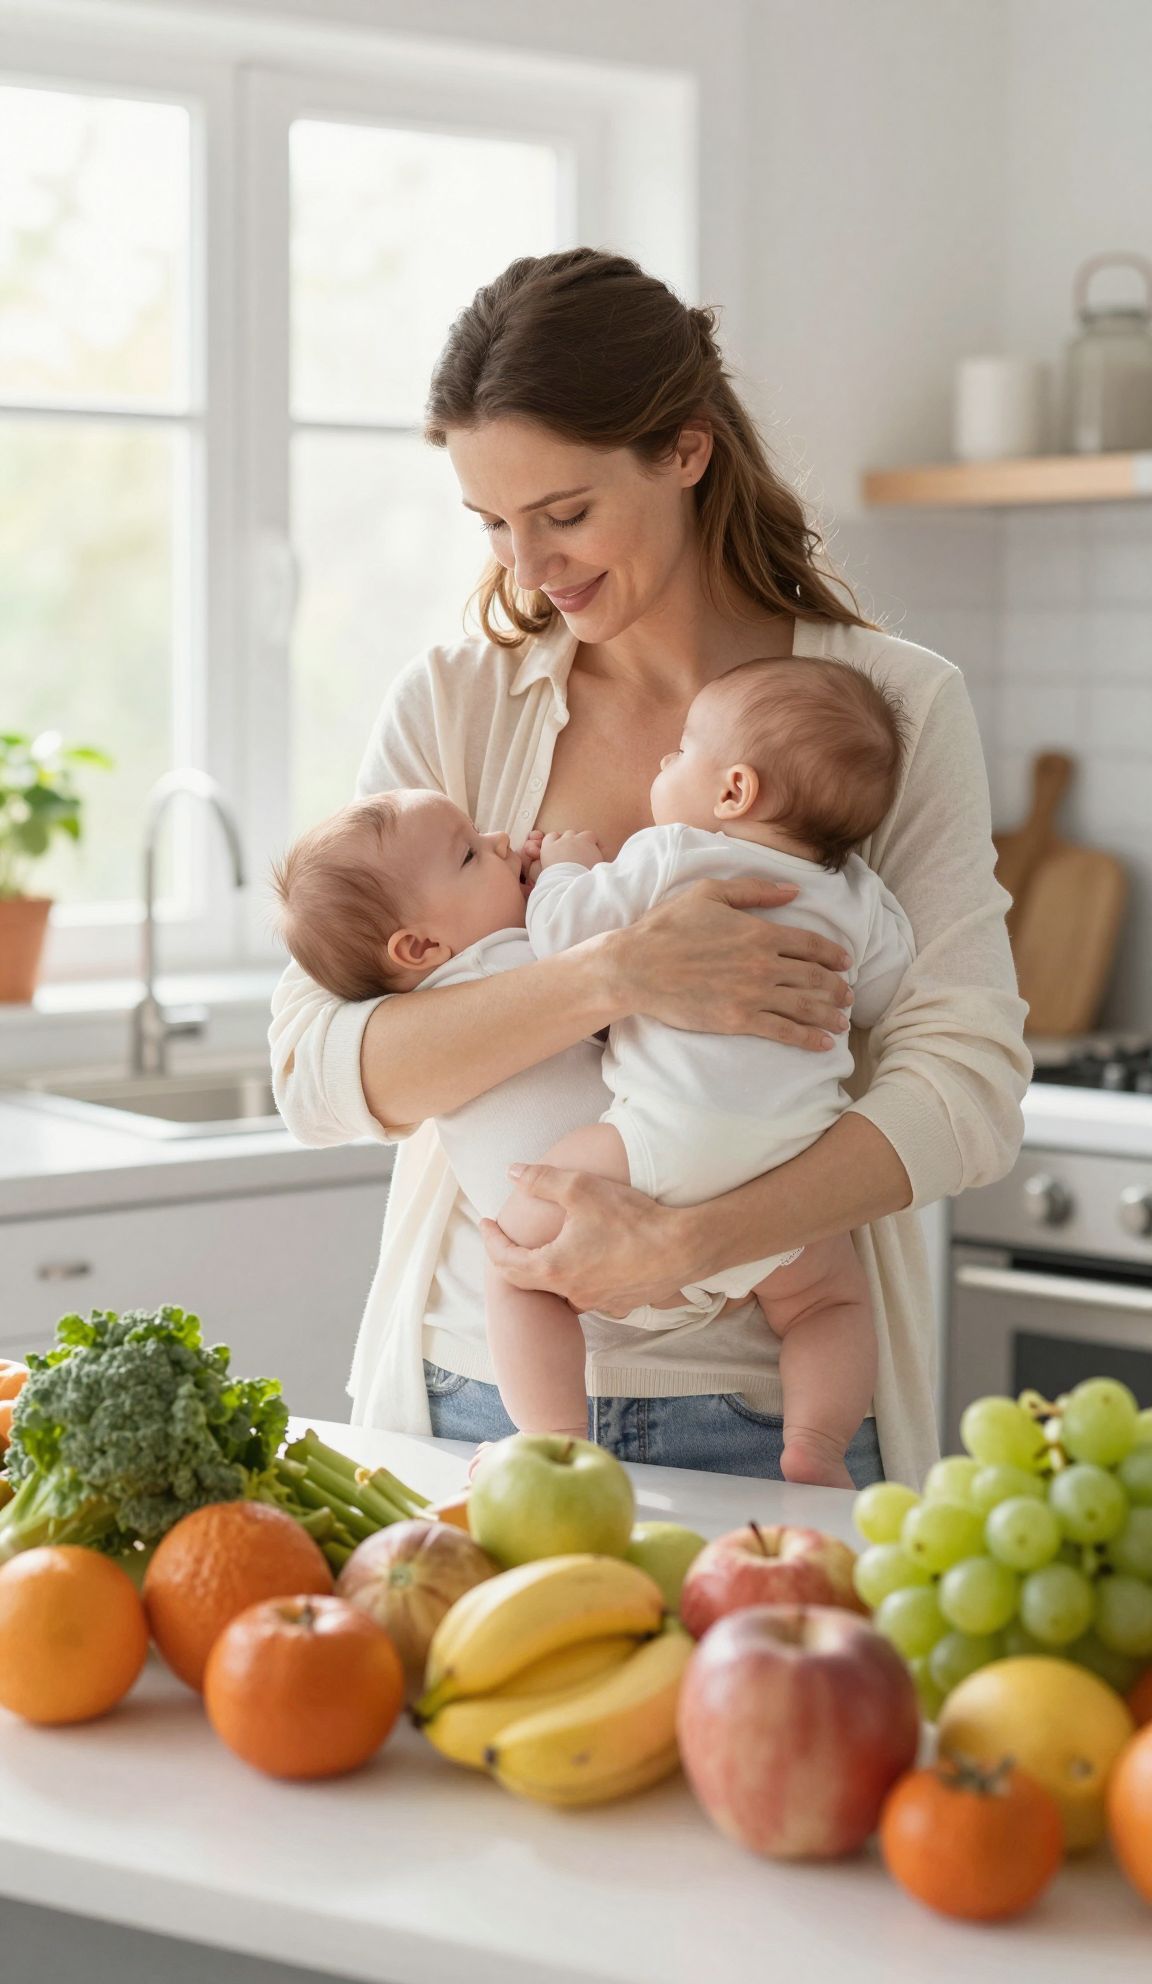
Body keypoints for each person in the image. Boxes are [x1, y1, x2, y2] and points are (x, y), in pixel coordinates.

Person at [269, 246, 1031, 1489]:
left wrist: (692, 1240)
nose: (527, 567)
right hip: (475, 1398)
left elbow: (969, 1081)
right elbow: (314, 1072)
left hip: (775, 1408)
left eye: (564, 513)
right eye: (493, 524)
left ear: (685, 450)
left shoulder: (884, 706)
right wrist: (614, 974)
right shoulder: (456, 706)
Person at [271, 653, 915, 1489]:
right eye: (470, 855)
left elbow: (571, 927)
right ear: (419, 945)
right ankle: (817, 1444)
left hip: (648, 1155)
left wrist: (566, 875)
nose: (501, 839)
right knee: (830, 1300)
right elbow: (892, 993)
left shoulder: (667, 855)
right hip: (790, 1159)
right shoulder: (851, 886)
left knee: (518, 1269)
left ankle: (550, 1438)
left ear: (734, 790)